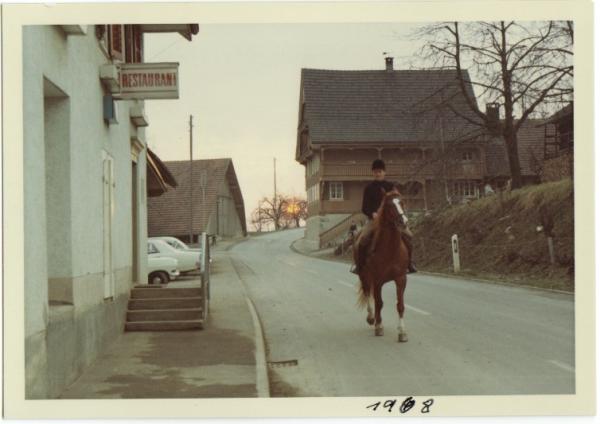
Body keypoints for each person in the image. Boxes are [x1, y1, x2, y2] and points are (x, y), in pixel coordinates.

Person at [350, 159, 417, 274]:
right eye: (375, 171)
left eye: (380, 171)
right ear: (373, 173)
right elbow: (364, 207)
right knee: (362, 240)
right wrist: (372, 213)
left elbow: (397, 201)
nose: (378, 174)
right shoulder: (368, 188)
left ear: (384, 172)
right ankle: (359, 266)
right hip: (374, 220)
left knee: (409, 236)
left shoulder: (391, 186)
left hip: (392, 219)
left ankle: (409, 263)